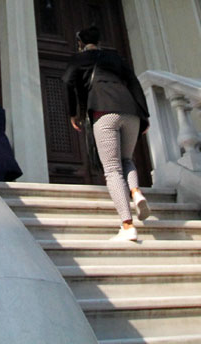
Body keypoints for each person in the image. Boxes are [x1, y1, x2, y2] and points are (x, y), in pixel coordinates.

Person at [61, 24, 151, 242]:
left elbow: (67, 81)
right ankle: (136, 192)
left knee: (112, 169)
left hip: (104, 112)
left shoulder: (79, 59)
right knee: (127, 160)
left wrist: (74, 113)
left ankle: (127, 225)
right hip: (131, 113)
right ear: (99, 41)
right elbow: (134, 82)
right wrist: (144, 116)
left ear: (81, 43)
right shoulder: (115, 58)